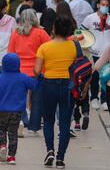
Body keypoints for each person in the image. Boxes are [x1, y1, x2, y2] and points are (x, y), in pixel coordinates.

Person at [34, 16, 77, 169]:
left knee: (49, 121)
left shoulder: (45, 47)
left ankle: (50, 150)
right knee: (65, 123)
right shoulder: (74, 46)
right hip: (68, 86)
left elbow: (37, 70)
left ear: (54, 29)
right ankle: (60, 158)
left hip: (49, 84)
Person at [0, 53, 41, 165]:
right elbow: (34, 85)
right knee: (13, 133)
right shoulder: (22, 77)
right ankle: (11, 156)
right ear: (18, 64)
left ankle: (2, 145)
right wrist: (40, 76)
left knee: (1, 129)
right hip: (17, 111)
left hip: (1, 110)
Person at [8, 9, 50, 136]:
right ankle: (33, 128)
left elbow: (10, 53)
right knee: (37, 100)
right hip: (37, 71)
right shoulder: (40, 33)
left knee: (19, 99)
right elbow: (49, 49)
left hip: (19, 71)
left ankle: (20, 121)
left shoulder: (15, 33)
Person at [81, 0, 110, 111]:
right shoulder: (90, 18)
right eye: (102, 4)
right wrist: (86, 45)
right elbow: (81, 31)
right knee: (93, 76)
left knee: (105, 77)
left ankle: (104, 100)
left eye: (107, 5)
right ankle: (94, 98)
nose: (105, 7)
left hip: (106, 53)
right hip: (93, 52)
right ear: (98, 5)